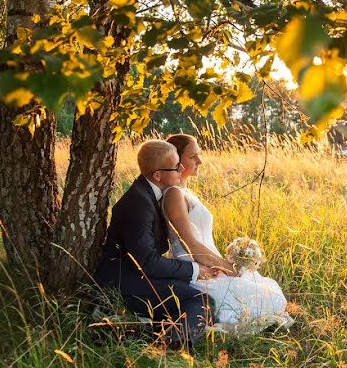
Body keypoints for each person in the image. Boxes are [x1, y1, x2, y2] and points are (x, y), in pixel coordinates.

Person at [162, 134, 293, 334]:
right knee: (264, 299)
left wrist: (226, 265)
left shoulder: (186, 193)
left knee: (268, 292)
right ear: (177, 161)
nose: (200, 161)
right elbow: (191, 245)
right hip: (196, 272)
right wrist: (228, 268)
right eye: (193, 156)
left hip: (211, 266)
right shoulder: (173, 194)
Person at [94, 140, 217, 349]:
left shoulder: (151, 192)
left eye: (180, 163)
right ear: (157, 175)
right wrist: (195, 269)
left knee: (189, 297)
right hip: (123, 280)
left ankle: (130, 331)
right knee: (202, 301)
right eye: (175, 167)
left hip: (139, 273)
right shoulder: (138, 203)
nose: (181, 169)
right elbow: (148, 262)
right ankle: (171, 344)